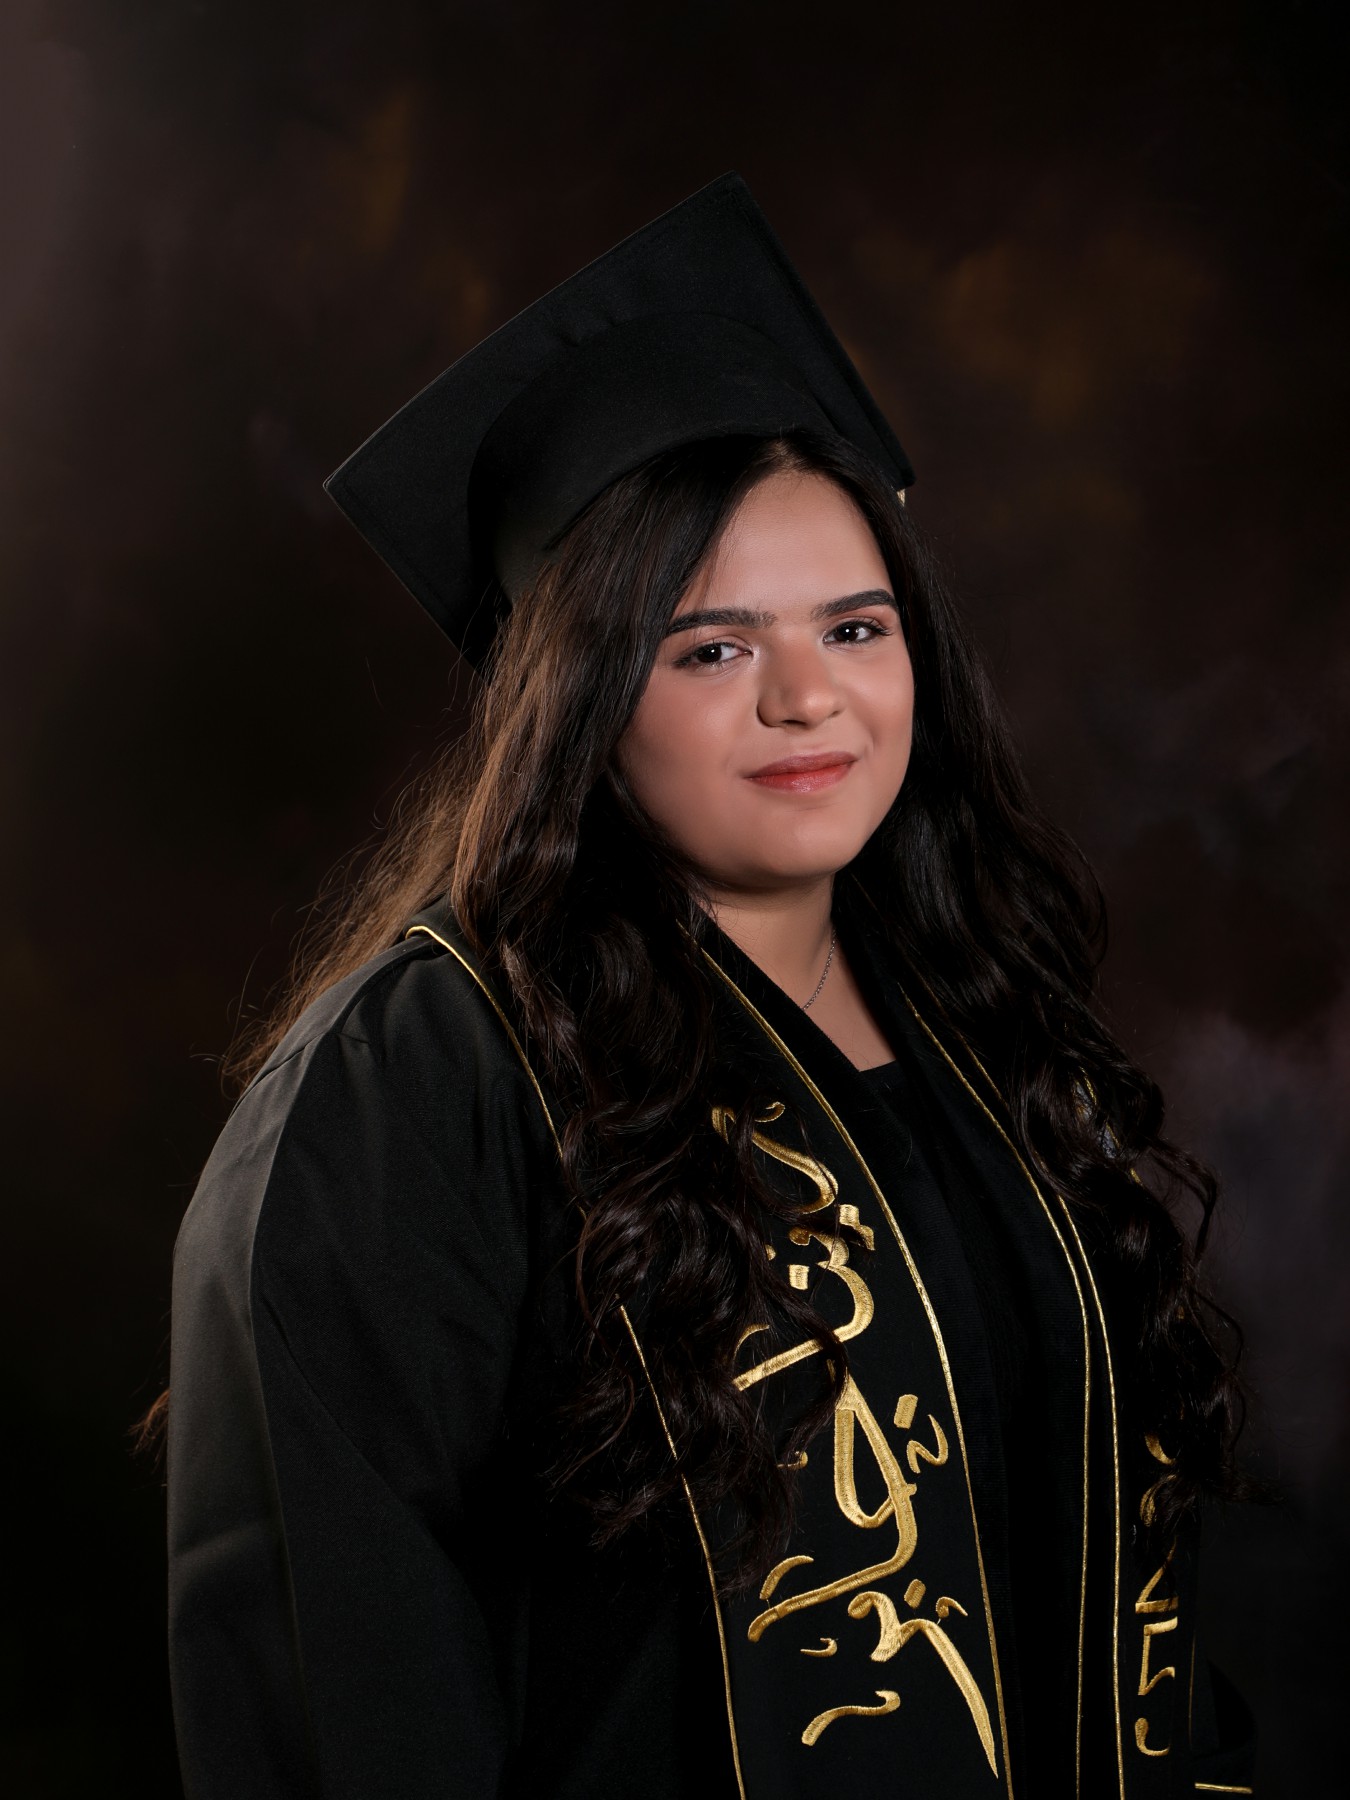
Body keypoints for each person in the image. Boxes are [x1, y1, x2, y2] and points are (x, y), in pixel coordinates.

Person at [164, 173, 1257, 1798]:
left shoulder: (981, 1023)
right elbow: (340, 1683)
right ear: (578, 694)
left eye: (856, 628)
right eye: (712, 648)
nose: (809, 700)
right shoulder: (423, 1082)